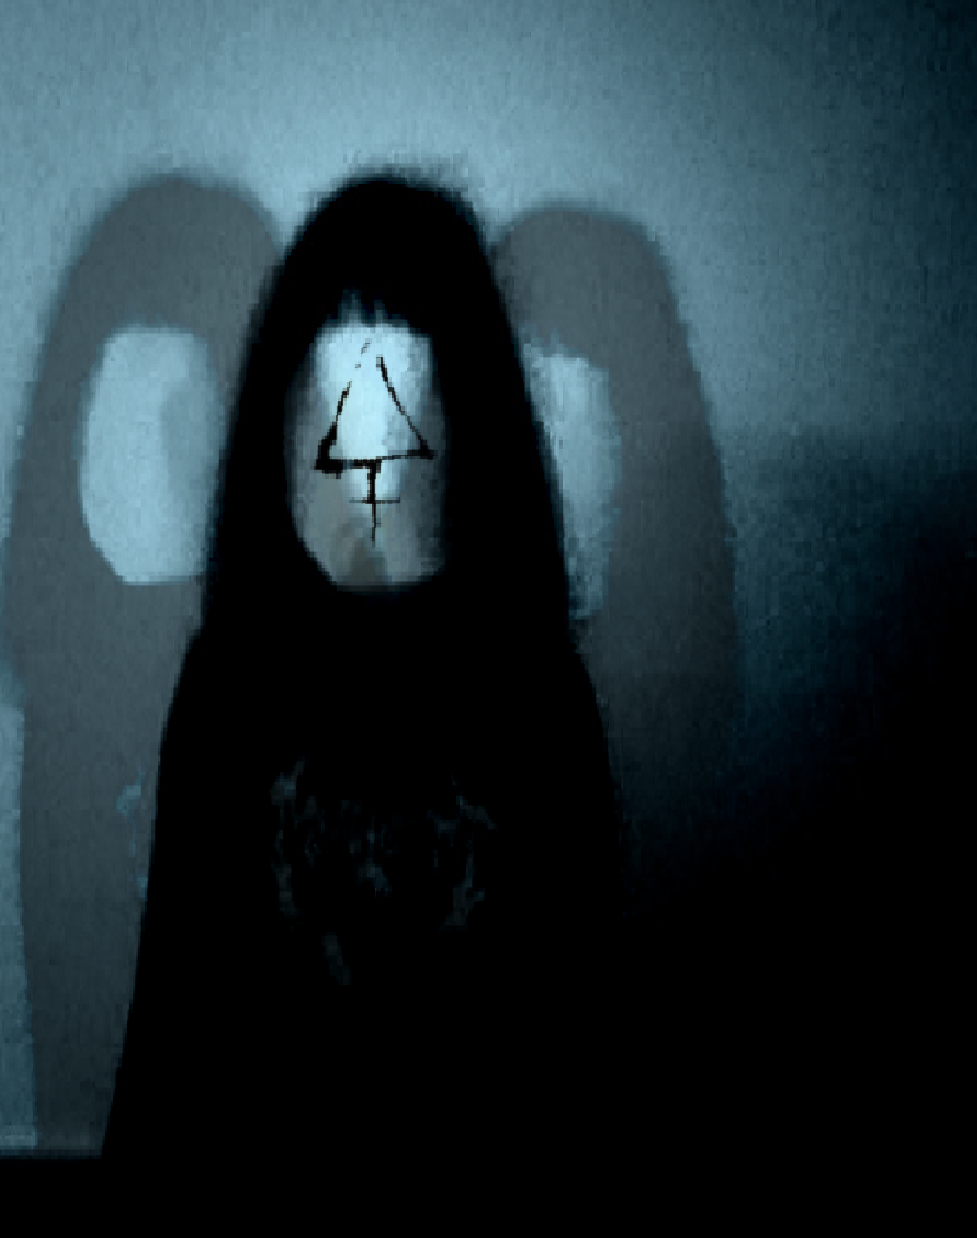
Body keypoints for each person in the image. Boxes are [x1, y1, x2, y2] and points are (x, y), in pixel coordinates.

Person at [102, 173, 633, 1179]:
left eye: (402, 401)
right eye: (337, 403)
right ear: (281, 415)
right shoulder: (230, 691)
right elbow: (174, 1019)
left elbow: (583, 1029)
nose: (369, 456)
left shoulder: (535, 695)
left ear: (469, 423)